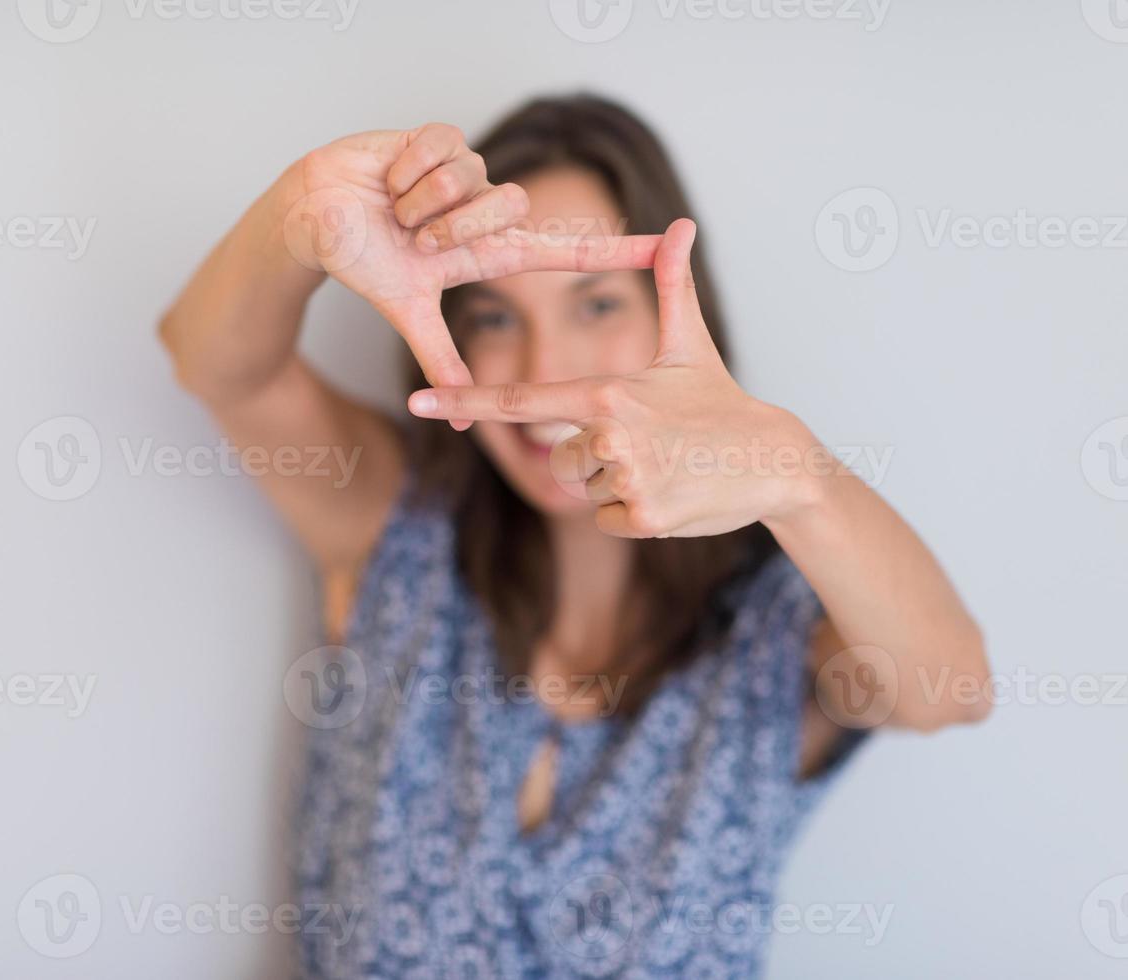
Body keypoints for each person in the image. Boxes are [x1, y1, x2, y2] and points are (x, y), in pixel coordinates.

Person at [159, 94, 990, 978]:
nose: (545, 369)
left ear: (679, 316)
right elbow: (213, 361)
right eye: (494, 316)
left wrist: (797, 472)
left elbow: (949, 691)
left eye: (594, 305)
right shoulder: (395, 523)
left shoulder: (775, 617)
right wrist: (302, 214)